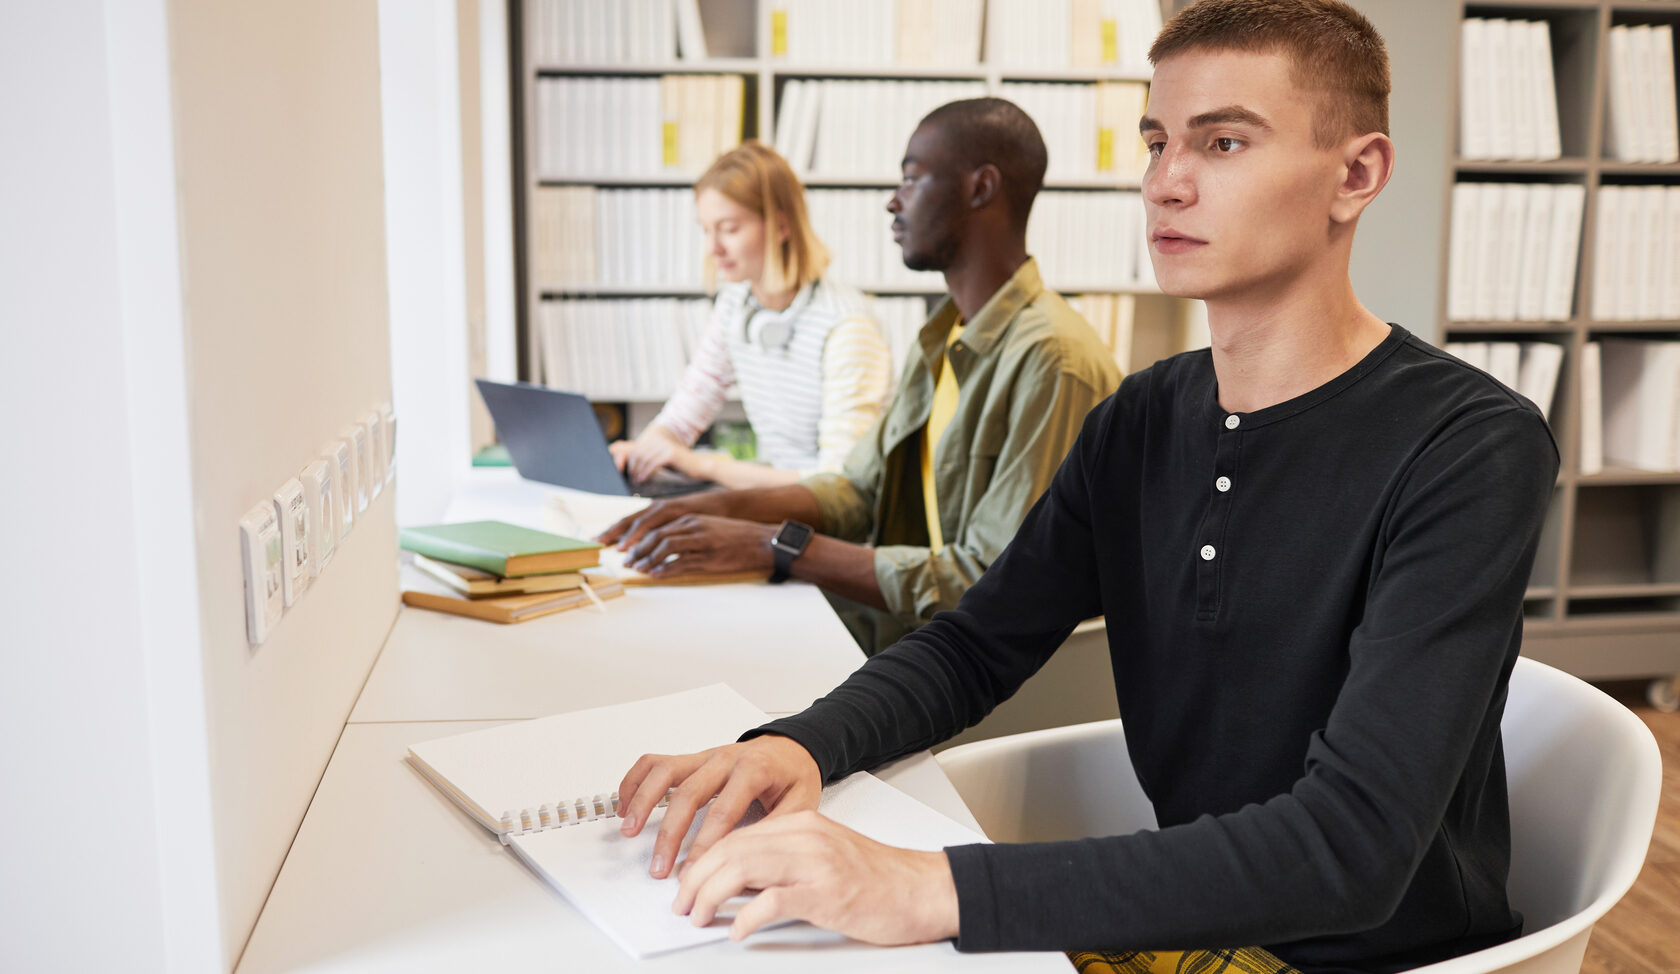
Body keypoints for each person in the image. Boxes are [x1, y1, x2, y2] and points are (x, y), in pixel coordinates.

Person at [611, 1, 1561, 972]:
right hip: (1184, 924)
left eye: (1223, 142)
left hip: (1363, 955)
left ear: (1355, 175)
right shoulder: (1141, 419)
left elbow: (1351, 846)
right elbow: (977, 642)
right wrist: (795, 747)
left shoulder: (1469, 446)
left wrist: (923, 885)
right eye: (1157, 142)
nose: (1166, 185)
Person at [601, 99, 1123, 653]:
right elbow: (856, 490)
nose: (893, 202)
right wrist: (708, 509)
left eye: (913, 179)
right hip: (921, 634)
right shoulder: (945, 337)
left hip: (983, 666)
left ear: (980, 188)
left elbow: (988, 580)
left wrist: (771, 546)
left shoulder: (1054, 360)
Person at [609, 141, 893, 491]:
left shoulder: (847, 326)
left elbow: (839, 483)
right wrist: (646, 450)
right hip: (787, 502)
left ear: (781, 227)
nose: (713, 249)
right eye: (706, 230)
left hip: (836, 516)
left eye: (728, 229)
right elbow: (689, 406)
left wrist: (702, 464)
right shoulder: (736, 304)